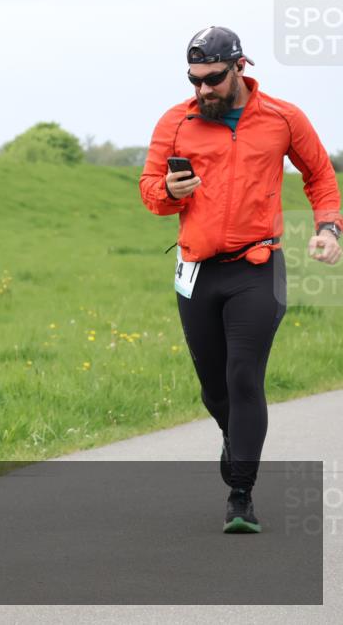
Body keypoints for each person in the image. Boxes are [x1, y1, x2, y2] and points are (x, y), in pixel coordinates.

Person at [139, 26, 341, 534]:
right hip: (199, 270)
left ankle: (241, 495)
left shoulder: (281, 118)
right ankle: (238, 439)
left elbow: (319, 175)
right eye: (195, 80)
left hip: (258, 266)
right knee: (214, 388)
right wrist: (168, 188)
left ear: (239, 68)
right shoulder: (176, 122)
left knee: (243, 374)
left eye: (213, 79)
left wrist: (328, 227)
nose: (203, 90)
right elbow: (150, 194)